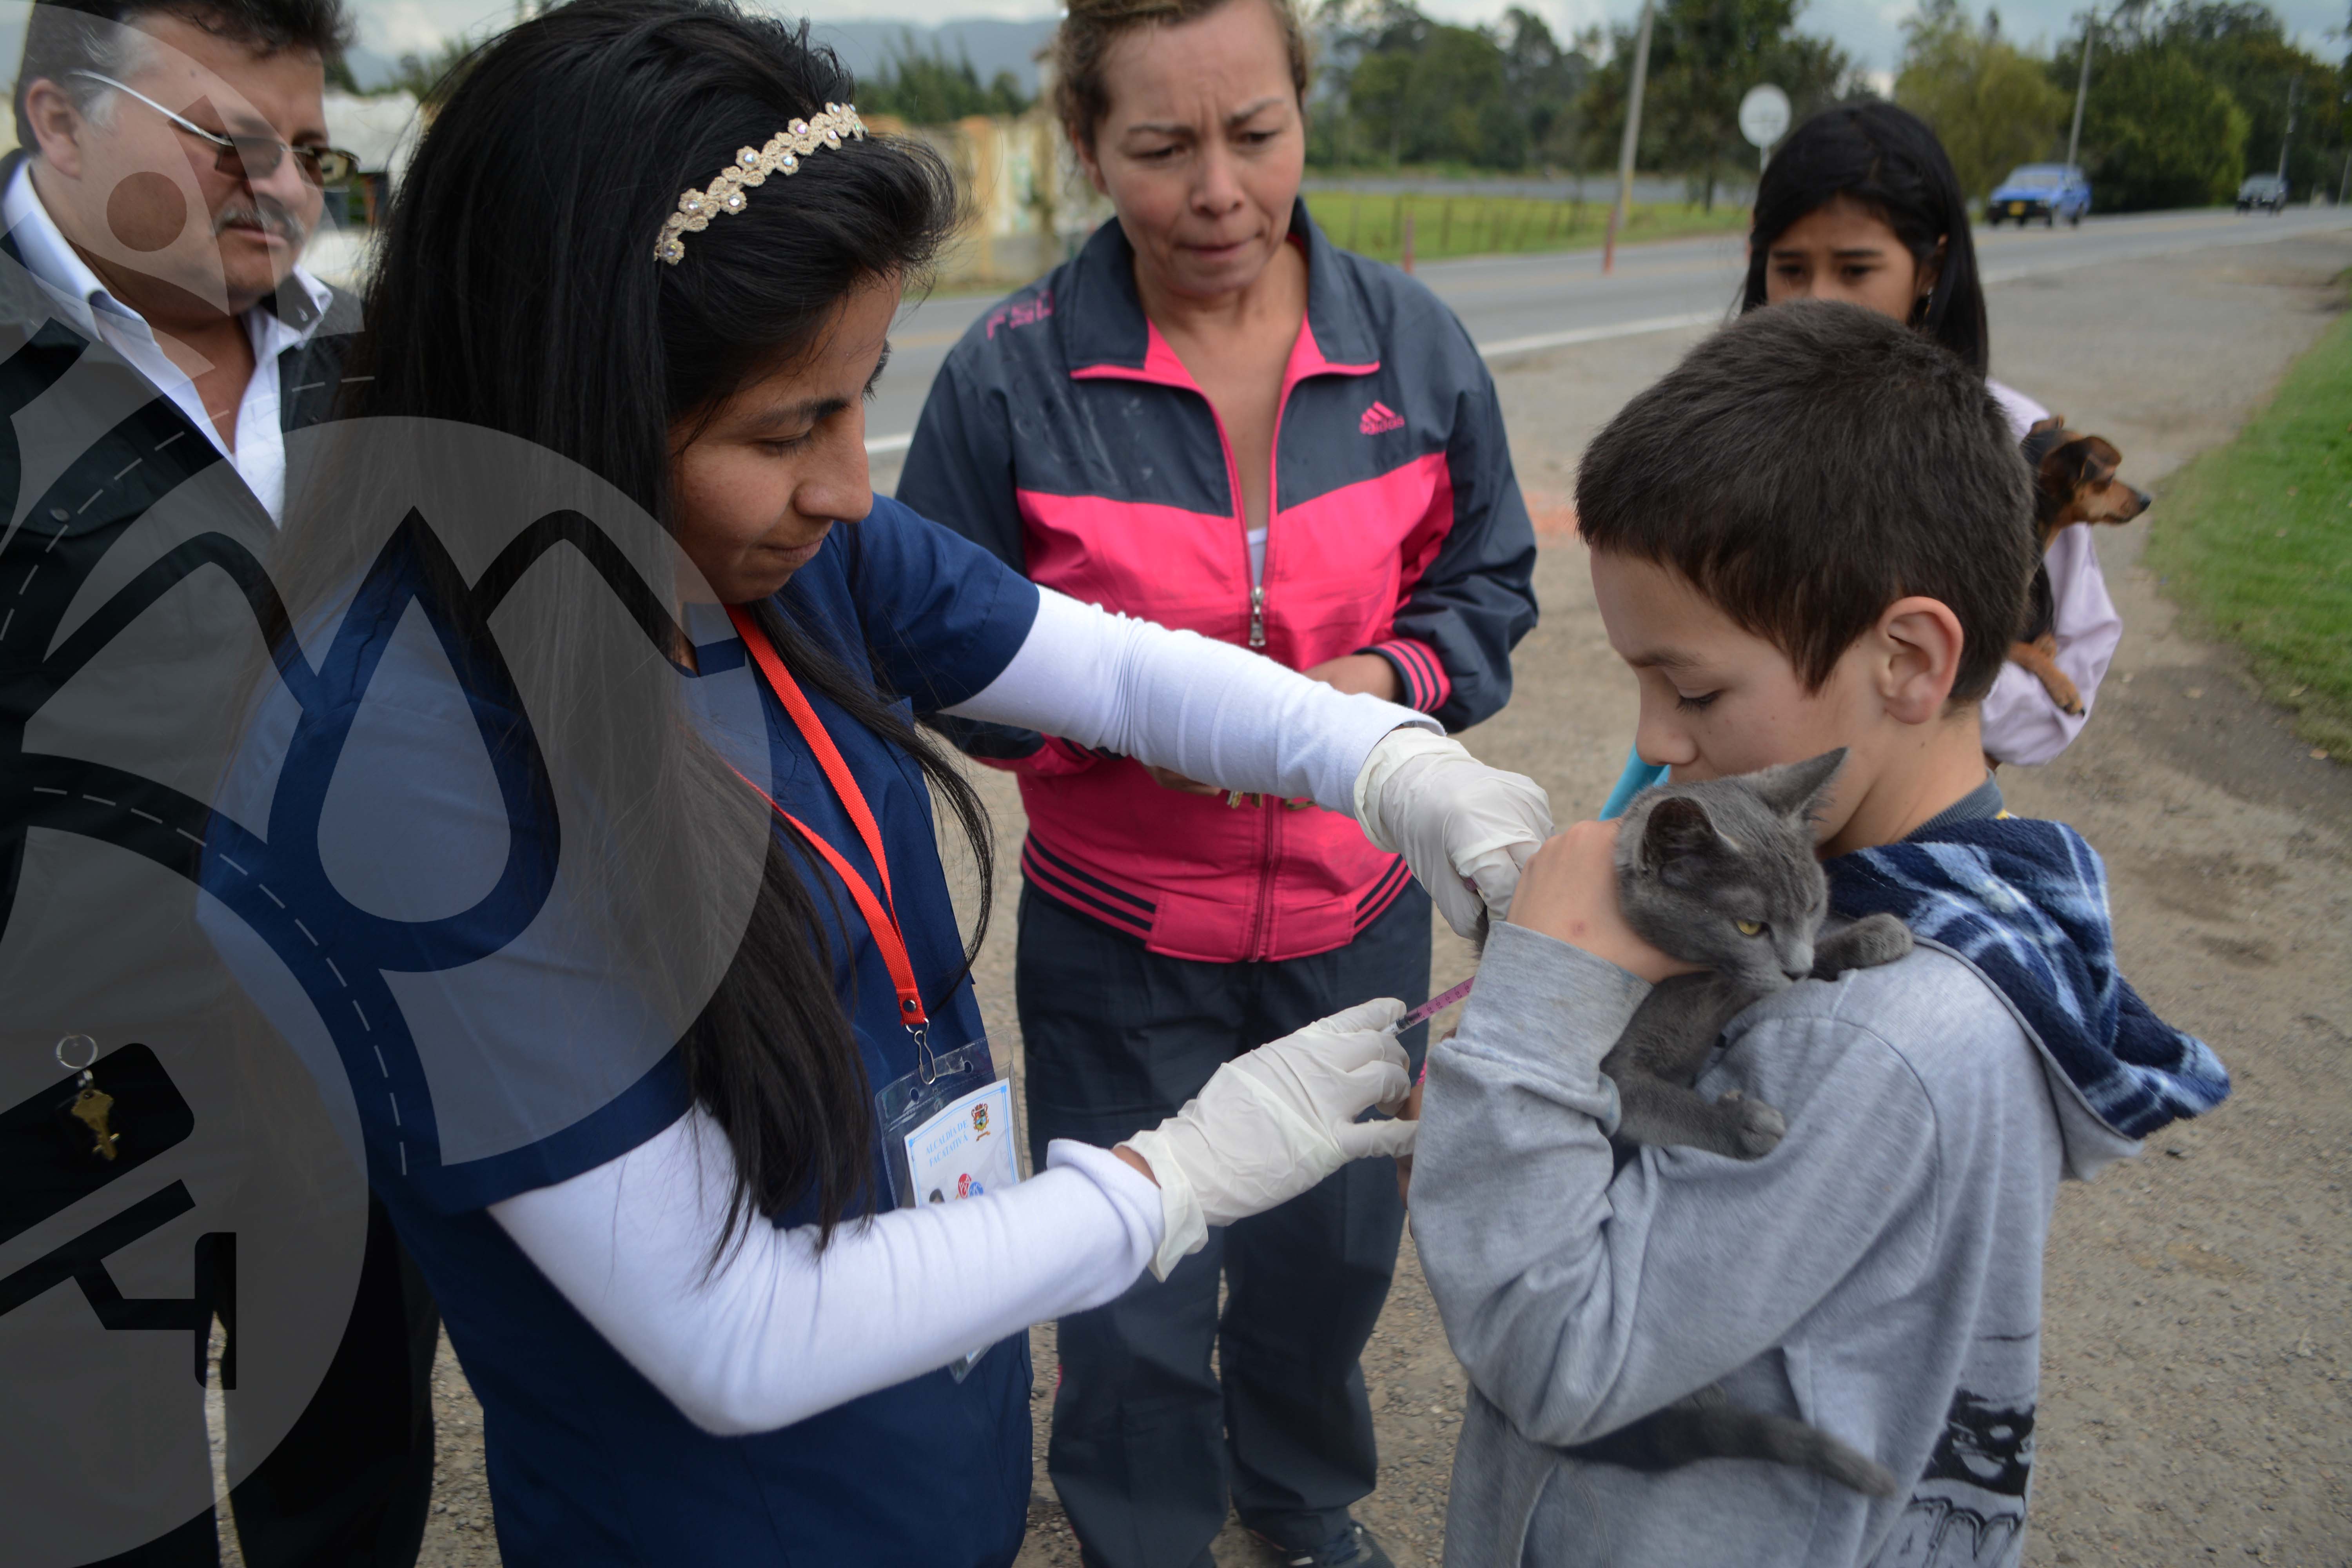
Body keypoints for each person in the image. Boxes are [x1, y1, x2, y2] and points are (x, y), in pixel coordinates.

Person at [188, 3, 1555, 1564]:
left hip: (926, 1444)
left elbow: (1106, 667)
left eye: (863, 395)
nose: (850, 484)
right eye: (789, 426)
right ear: (570, 400)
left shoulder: (764, 548)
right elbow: (737, 1330)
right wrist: (1175, 1178)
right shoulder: (406, 770)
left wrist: (1385, 766)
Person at [1410, 300, 2229, 1565]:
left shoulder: (1878, 1039)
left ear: (1907, 659)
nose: (1658, 742)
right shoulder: (1886, 896)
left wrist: (1525, 1033)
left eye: (1691, 689)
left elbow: (1561, 1352)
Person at [898, 3, 1537, 1562]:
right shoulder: (1006, 382)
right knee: (1135, 1272)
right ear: (1086, 146)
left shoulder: (1419, 345)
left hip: (1358, 913)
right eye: (1162, 148)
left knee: (1331, 1251)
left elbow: (1491, 586)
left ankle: (1301, 1492)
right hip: (1117, 941)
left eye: (1254, 133)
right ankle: (1139, 1521)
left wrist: (1391, 690)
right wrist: (1124, 722)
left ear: (1304, 115)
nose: (1218, 190)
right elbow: (939, 654)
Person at [0, 2, 440, 1563]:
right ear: (57, 120)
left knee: (355, 1472)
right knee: (98, 1498)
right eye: (227, 146)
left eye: (309, 152)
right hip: (64, 1091)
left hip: (348, 1063)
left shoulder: (361, 366)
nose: (284, 189)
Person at [1597, 102, 2121, 820]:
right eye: (1790, 268)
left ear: (1931, 267)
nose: (1815, 299)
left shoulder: (2018, 445)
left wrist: (1905, 702)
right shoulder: (1732, 427)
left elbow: (2075, 672)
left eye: (1855, 269)